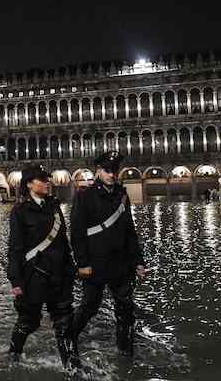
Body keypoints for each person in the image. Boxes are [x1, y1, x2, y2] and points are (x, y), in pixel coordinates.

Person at [69, 151, 147, 357]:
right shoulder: (84, 196)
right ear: (98, 171)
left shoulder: (122, 196)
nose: (112, 175)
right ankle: (67, 338)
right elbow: (77, 234)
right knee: (89, 306)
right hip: (95, 263)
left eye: (115, 171)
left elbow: (130, 230)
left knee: (125, 309)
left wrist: (138, 261)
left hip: (121, 264)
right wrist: (82, 263)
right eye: (107, 170)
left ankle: (125, 353)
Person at [6, 164, 79, 368]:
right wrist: (16, 281)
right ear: (29, 184)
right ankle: (14, 356)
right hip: (35, 276)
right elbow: (15, 248)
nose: (48, 182)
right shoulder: (20, 211)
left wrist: (71, 268)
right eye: (42, 179)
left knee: (64, 323)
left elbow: (63, 240)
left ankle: (73, 367)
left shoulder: (54, 207)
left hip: (60, 275)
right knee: (29, 321)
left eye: (48, 179)